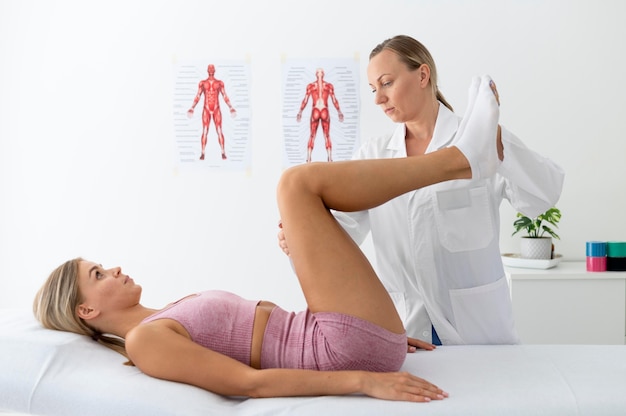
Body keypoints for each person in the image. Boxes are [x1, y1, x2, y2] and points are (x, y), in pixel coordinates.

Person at [32, 75, 502, 402]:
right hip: (336, 349)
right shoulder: (144, 342)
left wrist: (385, 339)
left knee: (298, 189)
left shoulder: (161, 318)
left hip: (334, 333)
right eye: (97, 274)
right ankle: (462, 159)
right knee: (295, 186)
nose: (112, 268)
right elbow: (247, 383)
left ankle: (463, 159)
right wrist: (363, 378)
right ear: (86, 310)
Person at [279, 35, 564, 347]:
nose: (378, 99)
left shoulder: (477, 136)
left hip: (478, 332)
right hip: (407, 329)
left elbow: (544, 194)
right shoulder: (373, 156)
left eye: (386, 83)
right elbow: (341, 237)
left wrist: (496, 144)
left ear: (423, 75)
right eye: (374, 89)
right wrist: (302, 233)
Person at [187, 64, 236, 160]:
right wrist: (192, 107)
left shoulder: (220, 83)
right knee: (205, 131)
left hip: (216, 109)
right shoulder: (202, 83)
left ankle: (223, 152)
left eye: (212, 68)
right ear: (207, 70)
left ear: (214, 70)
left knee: (219, 130)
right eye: (209, 68)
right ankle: (203, 152)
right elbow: (198, 96)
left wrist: (231, 107)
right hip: (206, 109)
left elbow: (224, 95)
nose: (211, 70)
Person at [297, 67, 344, 163]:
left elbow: (305, 100)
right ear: (323, 74)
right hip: (324, 111)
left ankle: (309, 158)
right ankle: (330, 158)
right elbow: (334, 99)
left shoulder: (311, 86)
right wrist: (339, 111)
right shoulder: (328, 86)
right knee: (326, 135)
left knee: (312, 135)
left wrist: (300, 111)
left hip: (315, 110)